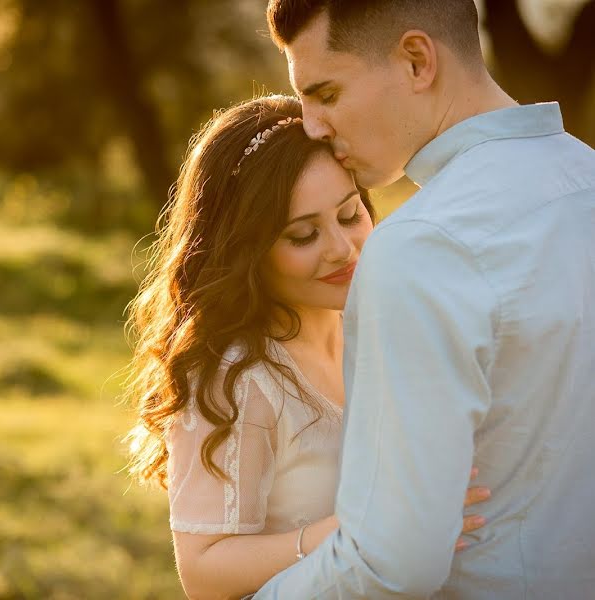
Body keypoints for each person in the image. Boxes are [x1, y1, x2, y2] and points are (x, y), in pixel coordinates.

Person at [252, 1, 595, 598]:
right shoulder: (585, 182)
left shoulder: (420, 247)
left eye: (326, 93)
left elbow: (391, 563)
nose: (312, 126)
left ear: (416, 61)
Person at [124, 94, 491, 600]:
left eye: (348, 215)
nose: (342, 249)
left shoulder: (381, 330)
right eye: (303, 235)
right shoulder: (239, 378)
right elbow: (204, 573)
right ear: (247, 251)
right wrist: (366, 527)